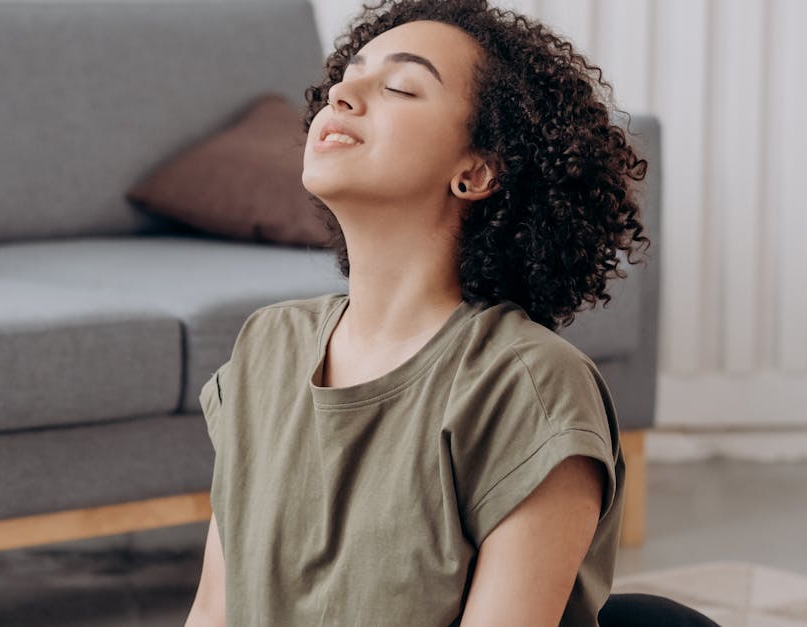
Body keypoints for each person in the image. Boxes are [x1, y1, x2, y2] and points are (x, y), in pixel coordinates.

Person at [185, 0, 654, 624]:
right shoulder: (267, 348)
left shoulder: (528, 387)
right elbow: (214, 613)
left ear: (476, 170)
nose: (344, 92)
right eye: (346, 75)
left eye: (401, 86)